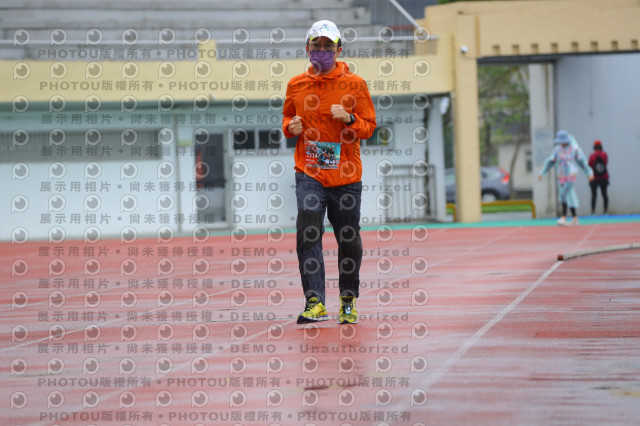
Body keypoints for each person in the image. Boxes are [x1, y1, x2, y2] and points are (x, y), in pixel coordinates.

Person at [282, 20, 376, 324]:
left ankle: (348, 300)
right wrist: (290, 127)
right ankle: (315, 302)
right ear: (307, 48)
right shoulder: (296, 84)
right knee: (308, 231)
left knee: (348, 239)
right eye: (316, 45)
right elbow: (287, 119)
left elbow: (369, 127)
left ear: (339, 50)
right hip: (309, 172)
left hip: (346, 176)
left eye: (328, 46)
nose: (321, 50)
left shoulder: (355, 84)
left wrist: (349, 118)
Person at [538, 130, 594, 225]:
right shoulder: (557, 150)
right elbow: (550, 162)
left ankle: (563, 217)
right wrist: (543, 172)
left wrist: (589, 173)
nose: (562, 143)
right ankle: (575, 218)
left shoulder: (574, 149)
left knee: (563, 194)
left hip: (571, 175)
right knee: (570, 196)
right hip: (561, 176)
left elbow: (582, 162)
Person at [588, 140, 609, 214]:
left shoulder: (592, 156)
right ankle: (605, 211)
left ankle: (593, 211)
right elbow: (606, 163)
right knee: (604, 194)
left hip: (594, 178)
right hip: (604, 177)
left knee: (594, 195)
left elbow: (589, 165)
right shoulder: (604, 154)